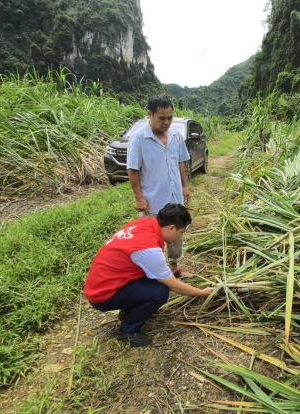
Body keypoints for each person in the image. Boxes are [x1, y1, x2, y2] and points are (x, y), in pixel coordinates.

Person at [84, 203, 213, 347]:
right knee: (160, 291)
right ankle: (128, 331)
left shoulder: (145, 224)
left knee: (155, 281)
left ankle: (129, 313)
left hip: (104, 282)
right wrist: (202, 293)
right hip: (103, 295)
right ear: (171, 228)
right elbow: (174, 286)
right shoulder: (148, 249)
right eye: (181, 232)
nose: (180, 236)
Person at [126, 95, 191, 269]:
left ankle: (175, 266)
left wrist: (185, 187)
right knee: (152, 239)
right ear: (150, 114)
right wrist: (139, 198)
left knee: (177, 235)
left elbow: (181, 162)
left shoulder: (177, 136)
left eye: (170, 118)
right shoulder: (139, 139)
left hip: (175, 199)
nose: (167, 122)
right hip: (153, 203)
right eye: (162, 118)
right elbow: (133, 170)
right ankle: (156, 271)